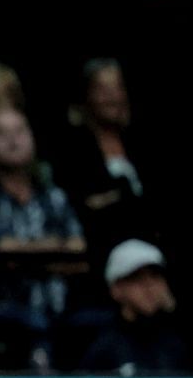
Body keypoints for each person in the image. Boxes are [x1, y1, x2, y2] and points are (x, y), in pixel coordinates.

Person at [0, 106, 86, 369]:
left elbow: (79, 252)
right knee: (30, 324)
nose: (13, 139)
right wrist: (54, 250)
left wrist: (27, 255)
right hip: (0, 310)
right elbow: (3, 250)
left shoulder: (53, 196)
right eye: (1, 133)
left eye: (20, 131)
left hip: (60, 308)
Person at [53, 58, 158, 262]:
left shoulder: (140, 143)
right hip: (102, 253)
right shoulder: (73, 149)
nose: (113, 97)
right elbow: (83, 206)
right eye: (102, 89)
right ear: (86, 97)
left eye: (118, 88)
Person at [80, 239, 193, 374]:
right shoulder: (103, 349)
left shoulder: (178, 345)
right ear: (116, 289)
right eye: (136, 278)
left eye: (155, 276)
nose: (149, 287)